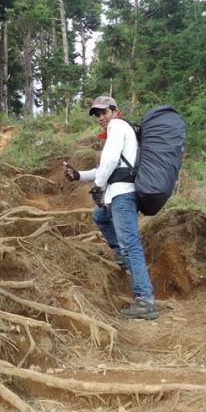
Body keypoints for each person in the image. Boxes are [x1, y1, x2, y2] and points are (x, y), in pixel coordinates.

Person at [62, 96, 158, 320]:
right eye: (97, 114)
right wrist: (79, 175)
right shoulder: (122, 130)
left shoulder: (117, 126)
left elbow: (110, 160)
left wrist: (97, 186)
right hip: (119, 194)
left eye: (104, 112)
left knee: (132, 245)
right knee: (100, 215)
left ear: (115, 111)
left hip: (123, 195)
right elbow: (107, 166)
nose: (101, 118)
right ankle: (122, 256)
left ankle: (146, 301)